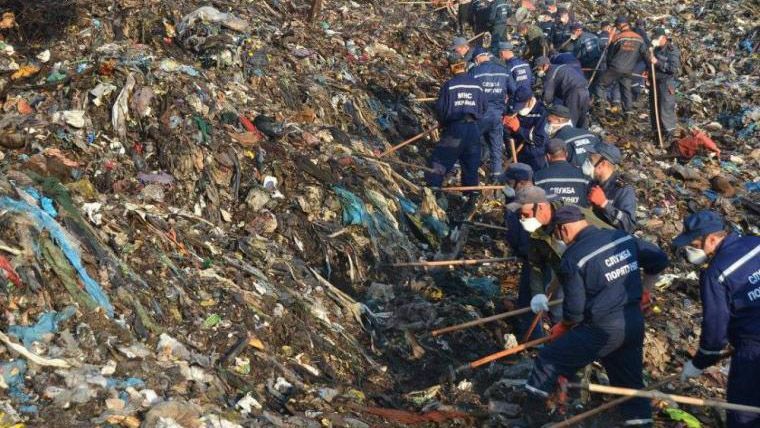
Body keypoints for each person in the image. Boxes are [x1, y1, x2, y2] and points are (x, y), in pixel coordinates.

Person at [522, 205, 669, 427]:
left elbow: (574, 310)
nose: (560, 240)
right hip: (632, 324)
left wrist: (563, 326)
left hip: (601, 328)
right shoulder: (620, 237)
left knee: (549, 359)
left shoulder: (573, 257)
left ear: (563, 229)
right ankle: (640, 422)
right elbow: (659, 259)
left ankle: (532, 417)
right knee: (629, 386)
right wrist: (646, 291)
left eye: (557, 235)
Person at [674, 210, 760, 428]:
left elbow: (715, 331)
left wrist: (699, 363)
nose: (691, 250)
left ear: (711, 239)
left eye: (694, 244)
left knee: (744, 414)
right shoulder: (756, 243)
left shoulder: (716, 274)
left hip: (753, 347)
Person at [424, 53, 486, 190]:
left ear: (452, 67)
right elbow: (484, 107)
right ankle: (471, 194)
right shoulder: (477, 85)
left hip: (455, 128)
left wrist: (443, 123)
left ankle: (433, 188)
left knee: (440, 159)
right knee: (471, 164)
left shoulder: (450, 85)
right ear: (464, 65)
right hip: (473, 129)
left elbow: (441, 108)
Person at [470, 47, 515, 180]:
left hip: (480, 114)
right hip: (497, 114)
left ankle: (470, 170)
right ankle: (497, 175)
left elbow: (470, 92)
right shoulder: (503, 70)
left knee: (472, 142)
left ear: (477, 58)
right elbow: (513, 90)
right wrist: (507, 109)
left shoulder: (474, 71)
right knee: (496, 145)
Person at [592, 16, 647, 114]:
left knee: (600, 84)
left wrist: (609, 67)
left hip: (615, 67)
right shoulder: (639, 38)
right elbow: (645, 54)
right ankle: (628, 113)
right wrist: (648, 67)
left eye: (617, 26)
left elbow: (610, 55)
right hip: (629, 69)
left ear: (619, 25)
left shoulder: (617, 37)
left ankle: (600, 109)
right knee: (626, 90)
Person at [585, 142, 637, 232]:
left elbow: (629, 226)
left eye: (591, 160)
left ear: (603, 163)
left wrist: (604, 204)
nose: (587, 162)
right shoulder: (593, 183)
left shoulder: (623, 190)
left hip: (609, 237)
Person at [535, 56, 590, 129]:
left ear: (545, 66)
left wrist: (545, 106)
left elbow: (548, 97)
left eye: (538, 69)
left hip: (574, 93)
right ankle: (584, 132)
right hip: (585, 89)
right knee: (582, 116)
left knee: (570, 118)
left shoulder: (550, 74)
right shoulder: (560, 67)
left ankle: (570, 133)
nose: (538, 72)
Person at [503, 85, 549, 171]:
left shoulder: (542, 112)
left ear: (530, 100)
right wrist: (506, 124)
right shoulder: (513, 107)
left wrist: (518, 129)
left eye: (522, 105)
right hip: (517, 153)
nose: (520, 108)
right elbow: (508, 134)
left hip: (535, 156)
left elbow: (540, 139)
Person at [534, 138, 589, 206]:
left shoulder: (538, 177)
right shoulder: (583, 176)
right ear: (566, 154)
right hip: (578, 212)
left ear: (547, 157)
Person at [650, 27, 680, 139]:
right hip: (655, 82)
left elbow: (673, 68)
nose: (655, 40)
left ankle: (670, 134)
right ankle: (657, 133)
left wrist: (657, 62)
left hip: (666, 83)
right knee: (654, 108)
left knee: (665, 108)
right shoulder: (655, 50)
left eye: (657, 38)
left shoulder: (671, 50)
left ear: (664, 38)